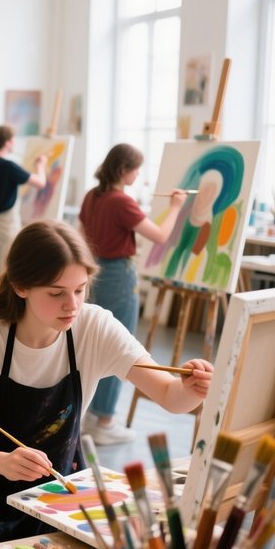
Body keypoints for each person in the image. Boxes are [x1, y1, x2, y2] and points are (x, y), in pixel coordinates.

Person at [0, 220, 211, 548]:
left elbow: (170, 396)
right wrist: (2, 462)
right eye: (56, 293)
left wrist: (192, 389)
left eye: (80, 289)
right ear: (20, 286)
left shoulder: (93, 327)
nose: (72, 305)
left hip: (59, 501)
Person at [78, 143, 186, 445]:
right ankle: (106, 420)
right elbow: (161, 236)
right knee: (119, 344)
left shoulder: (92, 196)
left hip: (92, 272)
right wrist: (176, 207)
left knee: (92, 342)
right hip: (117, 275)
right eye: (136, 169)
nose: (138, 175)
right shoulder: (120, 201)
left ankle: (89, 414)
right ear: (124, 169)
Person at [0, 125, 47, 273]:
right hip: (6, 227)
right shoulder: (10, 167)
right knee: (6, 273)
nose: (14, 143)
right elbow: (40, 183)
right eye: (13, 140)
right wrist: (40, 165)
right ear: (7, 142)